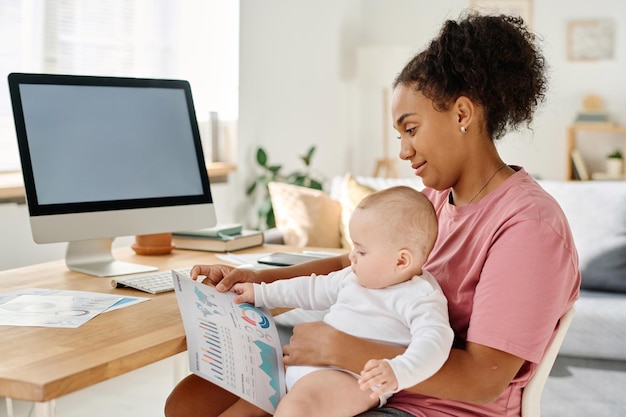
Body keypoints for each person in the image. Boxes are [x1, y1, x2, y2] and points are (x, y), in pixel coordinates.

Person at [165, 11, 580, 417]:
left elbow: (482, 379)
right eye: (399, 135)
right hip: (356, 381)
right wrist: (258, 280)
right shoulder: (434, 202)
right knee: (191, 401)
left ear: (462, 114)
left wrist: (338, 347)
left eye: (411, 129)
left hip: (427, 407)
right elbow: (357, 264)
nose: (403, 151)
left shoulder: (528, 227)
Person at [226, 186, 453, 417]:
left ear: (401, 261)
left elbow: (434, 343)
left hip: (349, 380)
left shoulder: (421, 297)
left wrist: (399, 371)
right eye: (353, 247)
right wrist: (260, 292)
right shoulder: (352, 276)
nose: (352, 256)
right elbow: (309, 288)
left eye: (361, 251)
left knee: (297, 408)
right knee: (246, 404)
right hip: (306, 363)